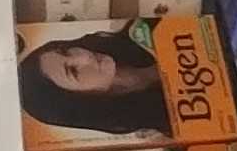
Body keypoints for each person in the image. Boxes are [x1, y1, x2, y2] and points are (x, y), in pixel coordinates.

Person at [17, 31, 171, 139]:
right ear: (78, 102)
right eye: (73, 71)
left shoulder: (142, 32)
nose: (85, 57)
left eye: (66, 51)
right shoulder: (165, 123)